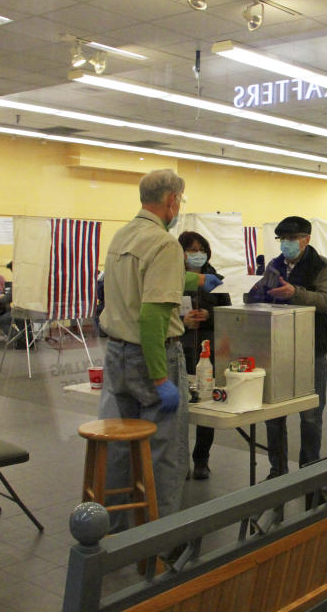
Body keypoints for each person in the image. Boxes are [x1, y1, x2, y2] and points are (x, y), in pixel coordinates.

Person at [98, 169, 222, 524]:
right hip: (151, 356)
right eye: (179, 200)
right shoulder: (165, 243)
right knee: (165, 453)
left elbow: (143, 278)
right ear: (172, 200)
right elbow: (153, 316)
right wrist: (159, 378)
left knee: (120, 448)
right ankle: (157, 540)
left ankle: (113, 528)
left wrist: (197, 279)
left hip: (116, 355)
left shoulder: (123, 235)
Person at [247, 216, 327, 478]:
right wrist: (256, 295)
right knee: (274, 413)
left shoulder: (321, 265)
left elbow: (326, 301)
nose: (286, 244)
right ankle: (278, 470)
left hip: (311, 346)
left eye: (292, 239)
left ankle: (308, 470)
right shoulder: (274, 265)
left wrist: (294, 293)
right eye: (282, 239)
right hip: (277, 345)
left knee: (310, 414)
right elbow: (258, 294)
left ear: (306, 239)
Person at [178, 230, 231, 480]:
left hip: (210, 350)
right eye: (191, 249)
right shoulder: (172, 279)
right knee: (180, 406)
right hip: (181, 348)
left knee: (207, 406)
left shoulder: (216, 280)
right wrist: (183, 320)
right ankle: (178, 462)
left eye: (201, 249)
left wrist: (210, 315)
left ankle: (201, 459)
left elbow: (229, 313)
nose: (197, 254)